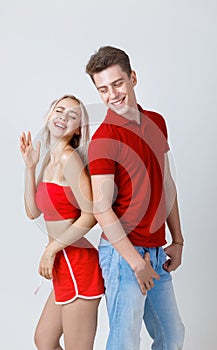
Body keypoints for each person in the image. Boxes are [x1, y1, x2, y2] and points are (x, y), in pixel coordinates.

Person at [86, 46, 185, 350]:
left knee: (172, 336)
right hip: (123, 254)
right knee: (125, 342)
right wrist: (134, 262)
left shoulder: (157, 121)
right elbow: (101, 209)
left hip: (156, 250)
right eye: (102, 89)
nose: (112, 94)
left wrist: (178, 240)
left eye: (117, 83)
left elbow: (166, 183)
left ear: (133, 78)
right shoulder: (103, 138)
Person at [20, 94, 104, 350]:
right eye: (59, 110)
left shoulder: (70, 159)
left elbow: (90, 214)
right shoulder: (46, 160)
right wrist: (30, 167)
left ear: (77, 129)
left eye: (72, 116)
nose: (63, 117)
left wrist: (52, 249)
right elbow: (32, 212)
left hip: (78, 264)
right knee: (44, 340)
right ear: (49, 116)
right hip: (62, 266)